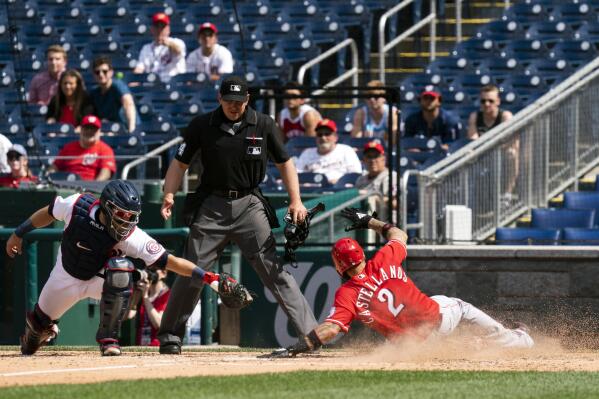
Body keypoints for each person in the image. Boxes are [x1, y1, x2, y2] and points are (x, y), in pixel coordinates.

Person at [157, 75, 318, 355]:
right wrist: (169, 194)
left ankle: (311, 334)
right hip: (211, 206)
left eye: (239, 101)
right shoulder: (202, 125)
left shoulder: (263, 124)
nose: (234, 106)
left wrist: (296, 200)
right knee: (192, 270)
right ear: (219, 99)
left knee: (274, 270)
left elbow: (285, 163)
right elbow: (179, 164)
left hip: (249, 204)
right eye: (229, 101)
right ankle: (171, 335)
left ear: (248, 100)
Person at [5, 179, 248, 356]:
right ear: (106, 207)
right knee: (32, 340)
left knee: (121, 270)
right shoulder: (77, 205)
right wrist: (18, 233)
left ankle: (108, 338)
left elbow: (170, 262)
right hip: (65, 275)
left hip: (100, 279)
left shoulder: (133, 237)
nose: (126, 222)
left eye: (131, 217)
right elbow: (48, 213)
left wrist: (208, 276)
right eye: (121, 214)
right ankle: (41, 330)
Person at [269, 208, 534, 357]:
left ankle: (482, 343)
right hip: (440, 319)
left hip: (416, 344)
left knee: (419, 341)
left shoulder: (346, 294)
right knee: (456, 305)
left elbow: (330, 329)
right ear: (361, 254)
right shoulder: (383, 259)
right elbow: (400, 234)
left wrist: (298, 347)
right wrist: (370, 221)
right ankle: (515, 338)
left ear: (338, 265)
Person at [48, 115, 116, 181]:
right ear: (80, 130)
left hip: (91, 187)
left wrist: (94, 187)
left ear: (99, 132)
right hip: (68, 185)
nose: (89, 131)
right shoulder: (69, 147)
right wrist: (50, 177)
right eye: (87, 128)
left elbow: (106, 173)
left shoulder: (105, 149)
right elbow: (55, 166)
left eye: (93, 129)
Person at [295, 119, 362, 185]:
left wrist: (339, 182)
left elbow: (355, 175)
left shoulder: (346, 151)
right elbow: (297, 176)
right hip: (312, 191)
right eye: (319, 134)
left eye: (327, 134)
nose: (323, 137)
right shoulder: (307, 153)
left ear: (335, 137)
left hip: (339, 191)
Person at [90, 56, 138, 133]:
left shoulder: (118, 85)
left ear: (111, 72)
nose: (101, 74)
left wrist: (131, 130)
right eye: (97, 72)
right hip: (110, 130)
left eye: (104, 71)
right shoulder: (94, 92)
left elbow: (128, 104)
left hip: (125, 129)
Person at [134, 12, 186, 83]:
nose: (159, 30)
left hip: (173, 84)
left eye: (162, 27)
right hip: (152, 86)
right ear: (152, 29)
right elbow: (139, 68)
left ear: (168, 29)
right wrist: (133, 81)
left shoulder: (177, 42)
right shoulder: (146, 48)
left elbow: (179, 51)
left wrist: (169, 44)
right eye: (157, 26)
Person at [127, 268, 170, 346]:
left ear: (164, 273)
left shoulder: (167, 295)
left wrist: (145, 296)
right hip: (141, 346)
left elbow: (159, 324)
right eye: (148, 269)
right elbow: (129, 315)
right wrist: (136, 293)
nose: (150, 273)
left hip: (157, 347)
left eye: (153, 269)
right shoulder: (143, 292)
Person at [355, 141, 397, 221]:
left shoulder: (391, 176)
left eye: (376, 156)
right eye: (369, 157)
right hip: (364, 221)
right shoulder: (361, 179)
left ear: (383, 159)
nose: (372, 160)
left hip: (387, 222)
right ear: (364, 160)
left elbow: (396, 203)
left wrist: (370, 197)